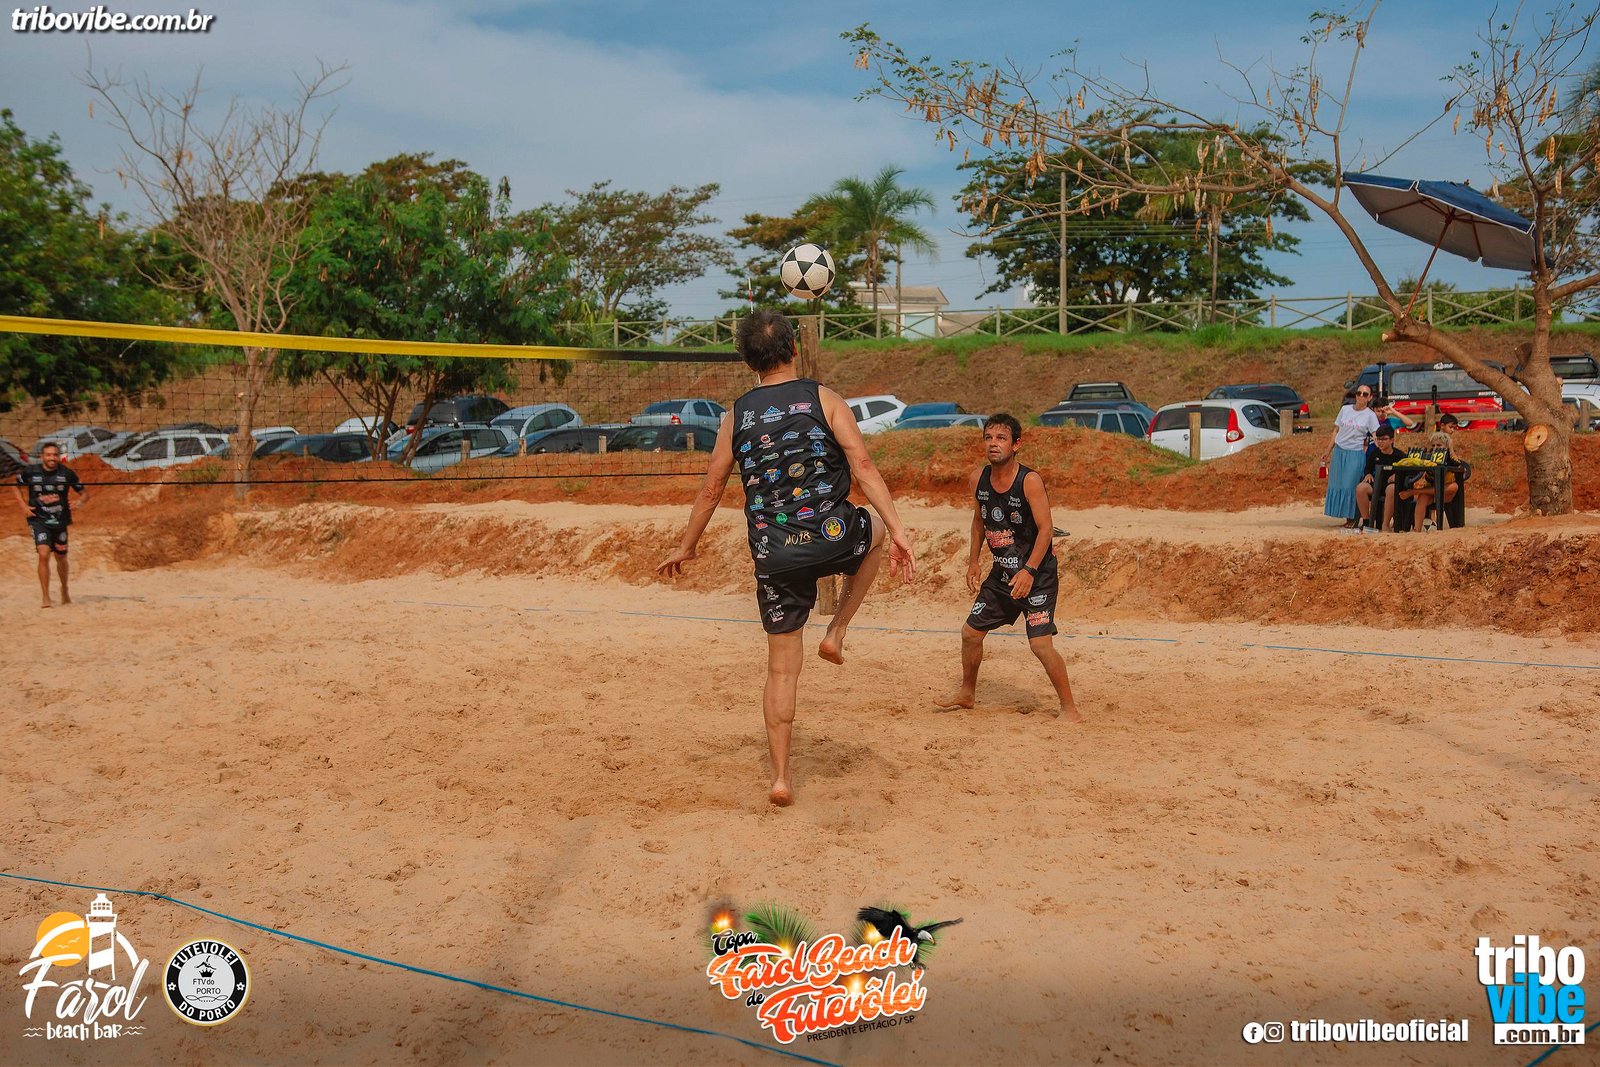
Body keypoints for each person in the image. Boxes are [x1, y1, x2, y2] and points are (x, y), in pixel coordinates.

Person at [656, 309, 914, 807]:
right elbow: (862, 465)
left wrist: (687, 546)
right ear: (793, 349)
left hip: (775, 554)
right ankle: (837, 631)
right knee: (878, 531)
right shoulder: (825, 398)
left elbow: (711, 489)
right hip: (834, 535)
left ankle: (780, 778)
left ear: (747, 360)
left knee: (780, 671)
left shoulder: (735, 416)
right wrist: (900, 530)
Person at [933, 414, 1080, 722]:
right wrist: (973, 561)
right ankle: (967, 694)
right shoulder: (978, 478)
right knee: (970, 634)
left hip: (1037, 575)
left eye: (1001, 438)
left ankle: (1070, 709)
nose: (993, 444)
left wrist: (1029, 571)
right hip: (1002, 574)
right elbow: (979, 521)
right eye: (988, 438)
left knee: (1040, 645)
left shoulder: (1029, 481)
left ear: (1016, 444)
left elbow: (1046, 530)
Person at [13, 442, 88, 608]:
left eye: (54, 455)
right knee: (44, 554)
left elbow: (84, 494)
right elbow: (15, 486)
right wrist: (23, 506)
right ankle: (46, 597)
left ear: (58, 457)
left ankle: (64, 589)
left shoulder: (66, 474)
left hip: (60, 521)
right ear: (42, 457)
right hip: (38, 520)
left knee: (61, 557)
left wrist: (79, 503)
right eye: (48, 455)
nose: (52, 458)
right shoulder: (31, 472)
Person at [1323, 385, 1379, 529]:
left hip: (1355, 453)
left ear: (1370, 397)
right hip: (1339, 451)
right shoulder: (1345, 409)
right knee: (1338, 484)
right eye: (1359, 393)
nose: (1361, 396)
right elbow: (1336, 430)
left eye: (1365, 394)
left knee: (1350, 485)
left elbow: (1376, 434)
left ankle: (1353, 518)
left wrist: (1381, 448)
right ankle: (1346, 517)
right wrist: (1328, 450)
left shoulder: (1370, 415)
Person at [1353, 423, 1408, 532]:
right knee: (1360, 488)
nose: (1380, 442)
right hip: (1377, 484)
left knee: (1391, 489)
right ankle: (1366, 522)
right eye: (1378, 439)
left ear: (1392, 440)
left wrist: (1398, 475)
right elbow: (1368, 468)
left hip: (1391, 486)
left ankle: (1385, 524)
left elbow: (1409, 471)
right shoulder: (1374, 454)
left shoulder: (1400, 456)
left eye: (1384, 439)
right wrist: (1368, 474)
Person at [1405, 431, 1460, 531]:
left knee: (1454, 486)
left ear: (1446, 446)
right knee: (1422, 497)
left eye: (1439, 445)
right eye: (1433, 445)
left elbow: (1460, 466)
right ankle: (1417, 530)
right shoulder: (1428, 458)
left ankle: (1414, 491)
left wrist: (1449, 455)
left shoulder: (1452, 458)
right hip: (1430, 491)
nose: (1435, 448)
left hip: (1445, 492)